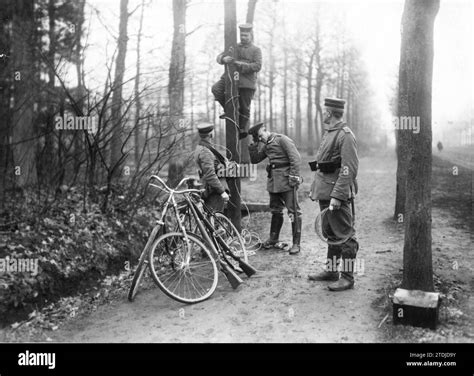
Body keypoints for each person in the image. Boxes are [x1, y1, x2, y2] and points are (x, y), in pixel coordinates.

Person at [308, 98, 359, 291]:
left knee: (345, 236)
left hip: (335, 194)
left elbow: (349, 168)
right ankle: (331, 271)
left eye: (324, 111)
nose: (323, 113)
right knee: (330, 233)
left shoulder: (345, 135)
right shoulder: (331, 133)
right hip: (325, 191)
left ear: (329, 113)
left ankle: (347, 277)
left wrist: (338, 196)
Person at [248, 122, 302, 255]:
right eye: (258, 138)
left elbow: (295, 158)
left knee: (293, 211)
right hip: (273, 181)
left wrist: (294, 176)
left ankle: (296, 243)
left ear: (265, 130)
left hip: (286, 180)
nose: (260, 139)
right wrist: (254, 145)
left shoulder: (281, 139)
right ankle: (273, 239)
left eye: (260, 136)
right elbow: (255, 160)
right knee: (275, 210)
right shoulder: (265, 145)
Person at [212, 23, 262, 139]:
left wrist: (241, 65)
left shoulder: (256, 50)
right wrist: (224, 59)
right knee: (216, 89)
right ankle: (229, 110)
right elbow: (219, 57)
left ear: (251, 36)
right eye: (242, 35)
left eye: (246, 36)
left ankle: (243, 129)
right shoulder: (234, 46)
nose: (243, 38)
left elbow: (257, 66)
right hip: (230, 78)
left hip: (246, 82)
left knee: (245, 106)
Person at [194, 123, 230, 213]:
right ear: (210, 134)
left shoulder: (204, 147)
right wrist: (222, 192)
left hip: (211, 189)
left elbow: (214, 166)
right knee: (214, 221)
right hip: (213, 192)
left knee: (211, 221)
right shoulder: (205, 151)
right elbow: (210, 174)